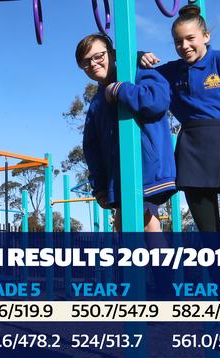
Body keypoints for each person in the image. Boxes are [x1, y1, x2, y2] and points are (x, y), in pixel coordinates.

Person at [139, 5, 220, 232]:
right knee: (211, 237)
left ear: (206, 36)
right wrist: (138, 56)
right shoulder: (170, 72)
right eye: (178, 41)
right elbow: (138, 76)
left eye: (190, 38)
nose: (184, 46)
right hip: (192, 154)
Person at [76, 33, 176, 232]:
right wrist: (100, 186)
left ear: (113, 54)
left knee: (146, 226)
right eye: (86, 62)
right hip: (119, 177)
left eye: (99, 56)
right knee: (126, 229)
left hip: (146, 169)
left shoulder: (136, 73)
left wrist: (121, 90)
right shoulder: (96, 102)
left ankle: (160, 264)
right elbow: (91, 147)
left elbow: (158, 100)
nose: (93, 64)